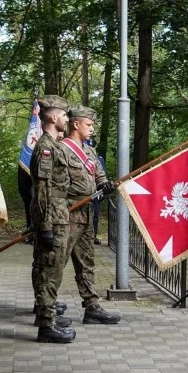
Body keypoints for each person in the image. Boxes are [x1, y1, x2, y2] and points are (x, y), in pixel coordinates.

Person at [60, 106, 119, 324]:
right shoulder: (61, 150)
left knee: (87, 262)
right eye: (89, 124)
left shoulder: (90, 151)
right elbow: (54, 187)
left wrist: (105, 186)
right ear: (76, 124)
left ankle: (92, 306)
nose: (92, 129)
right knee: (56, 263)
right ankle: (46, 307)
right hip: (67, 215)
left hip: (87, 215)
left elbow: (99, 177)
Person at [29, 95, 76, 344]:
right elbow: (43, 188)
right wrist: (46, 225)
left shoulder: (53, 145)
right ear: (53, 117)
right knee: (50, 271)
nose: (67, 119)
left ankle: (45, 316)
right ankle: (47, 325)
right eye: (65, 115)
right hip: (53, 218)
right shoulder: (46, 147)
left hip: (57, 216)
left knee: (48, 267)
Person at [17, 166, 34, 244]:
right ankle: (30, 234)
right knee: (30, 211)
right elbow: (22, 184)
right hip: (29, 191)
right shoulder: (25, 157)